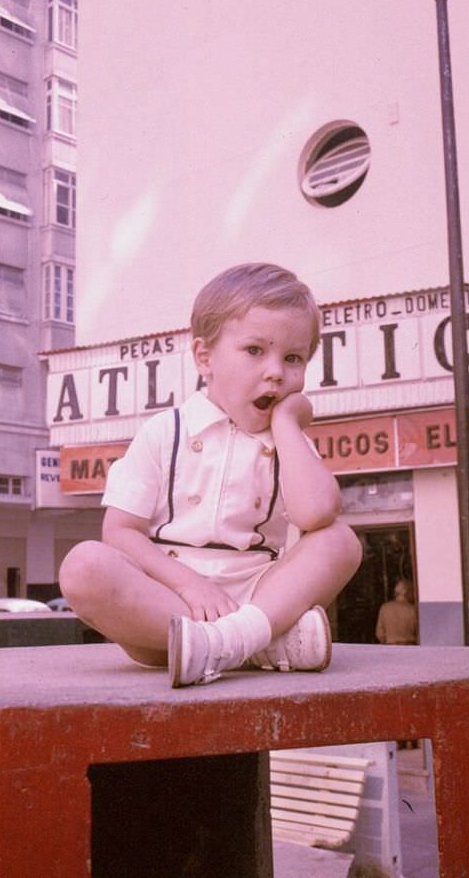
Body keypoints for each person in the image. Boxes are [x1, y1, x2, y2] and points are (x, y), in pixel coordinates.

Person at [60, 263, 362, 687]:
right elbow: (121, 531)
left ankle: (233, 640)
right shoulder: (165, 431)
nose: (275, 370)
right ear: (205, 357)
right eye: (255, 351)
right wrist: (189, 587)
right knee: (83, 565)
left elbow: (316, 515)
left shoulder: (287, 440)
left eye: (293, 358)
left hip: (260, 597)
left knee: (340, 541)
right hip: (167, 606)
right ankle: (258, 644)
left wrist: (290, 425)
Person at [375, 578, 417, 645]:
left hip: (390, 647)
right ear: (406, 592)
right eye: (412, 591)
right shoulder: (413, 609)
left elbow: (379, 634)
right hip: (410, 647)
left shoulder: (384, 608)